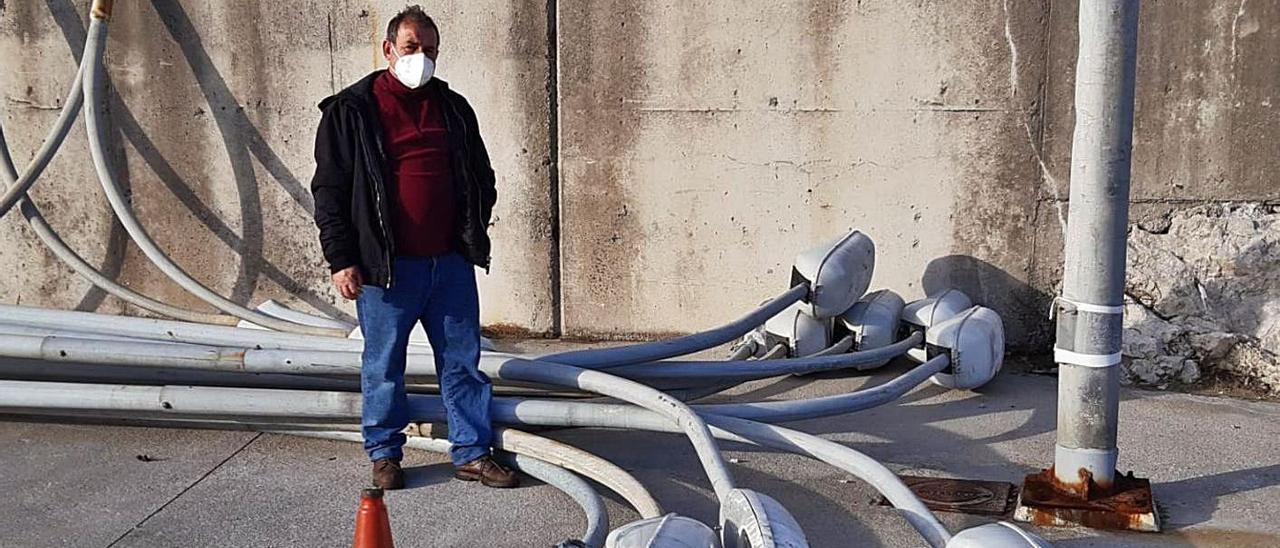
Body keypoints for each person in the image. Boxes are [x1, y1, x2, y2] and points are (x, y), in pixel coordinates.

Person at [310, 5, 516, 490]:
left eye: (429, 51)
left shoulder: (453, 108)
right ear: (387, 49)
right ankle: (385, 454)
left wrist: (470, 231)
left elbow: (481, 176)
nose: (420, 58)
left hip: (448, 264)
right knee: (383, 365)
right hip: (387, 271)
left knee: (462, 362)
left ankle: (471, 452)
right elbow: (330, 191)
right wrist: (342, 259)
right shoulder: (351, 112)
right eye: (410, 48)